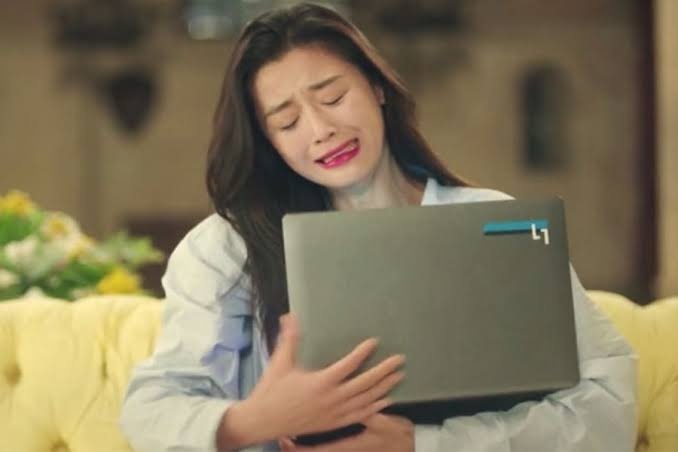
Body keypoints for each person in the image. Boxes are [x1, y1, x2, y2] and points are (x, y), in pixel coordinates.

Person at [119, 3, 637, 451]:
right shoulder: (226, 248)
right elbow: (150, 412)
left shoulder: (495, 222)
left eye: (332, 97)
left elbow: (608, 406)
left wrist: (424, 444)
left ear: (377, 87)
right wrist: (258, 419)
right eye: (287, 122)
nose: (321, 130)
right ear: (269, 143)